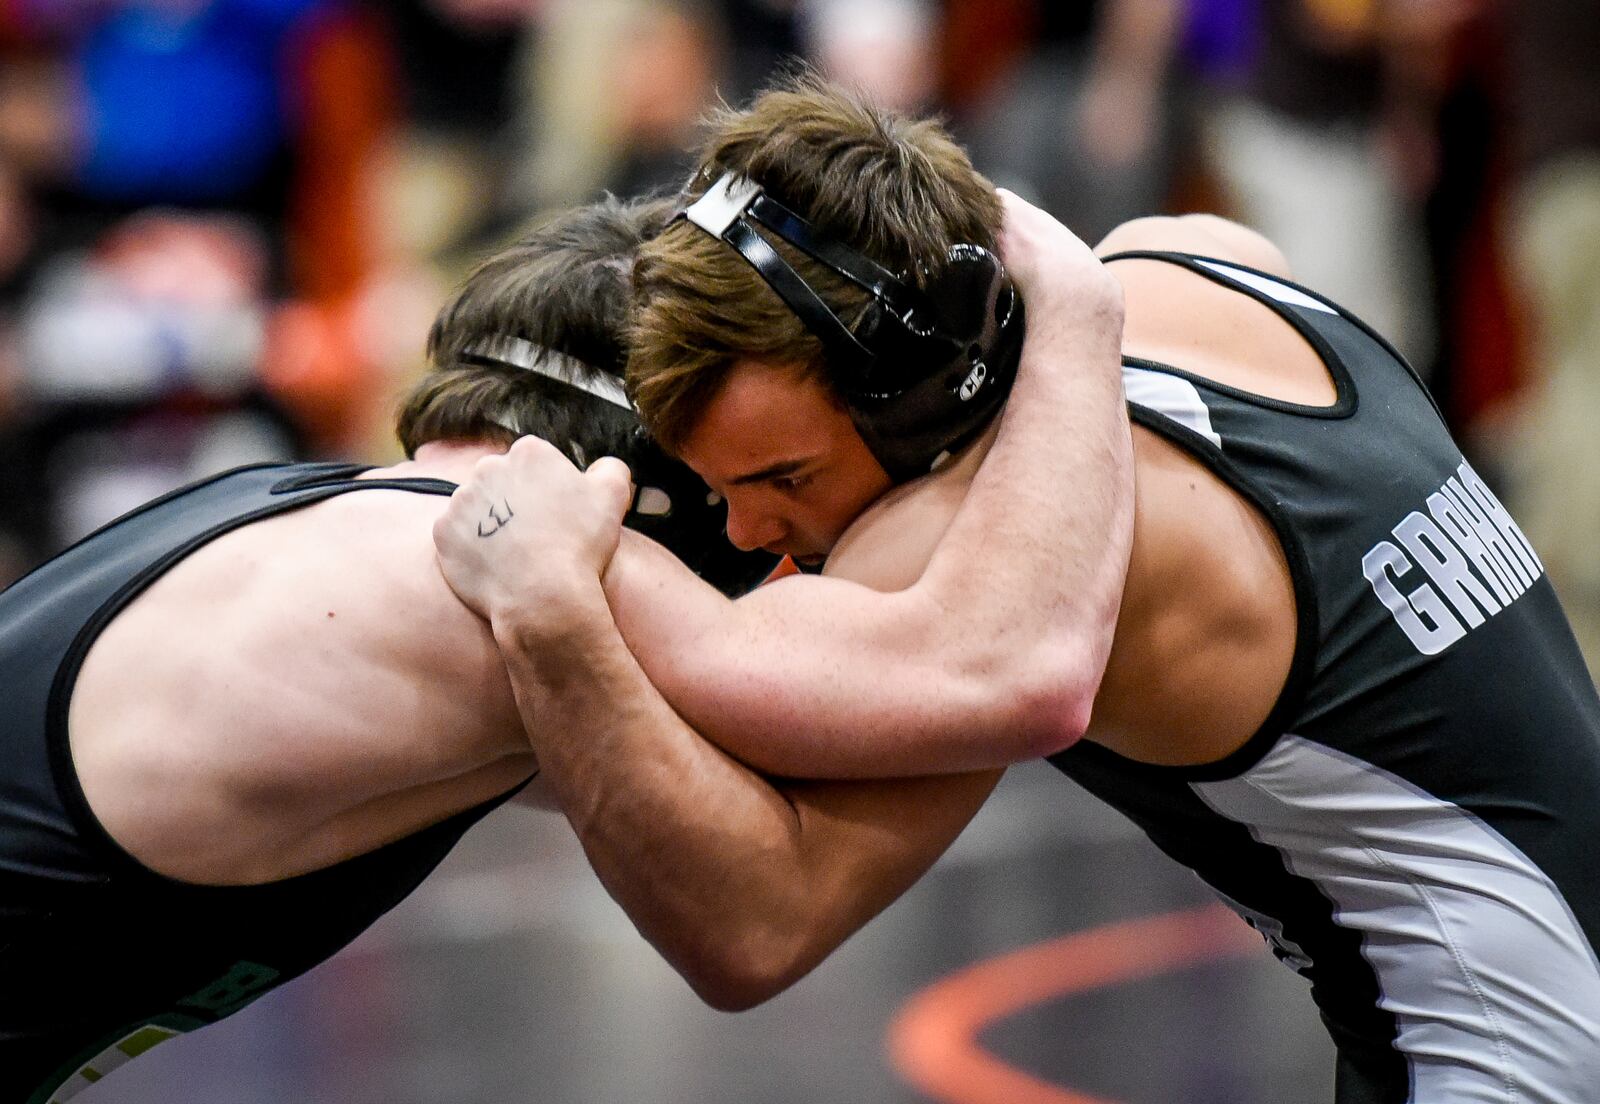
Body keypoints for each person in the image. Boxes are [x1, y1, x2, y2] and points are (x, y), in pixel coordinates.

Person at [433, 76, 1600, 1103]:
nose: (749, 530)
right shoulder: (1196, 262)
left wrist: (559, 574)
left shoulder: (973, 573)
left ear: (922, 394)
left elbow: (750, 926)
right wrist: (1073, 303)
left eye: (782, 476)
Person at [0, 188, 1131, 1103]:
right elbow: (990, 684)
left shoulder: (338, 529)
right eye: (745, 488)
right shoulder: (465, 580)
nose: (759, 541)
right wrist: (1078, 321)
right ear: (644, 477)